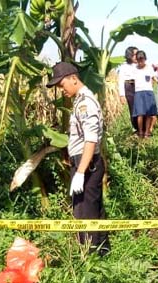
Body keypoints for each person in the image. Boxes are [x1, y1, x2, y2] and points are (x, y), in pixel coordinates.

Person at [46, 62, 109, 254]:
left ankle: (89, 258)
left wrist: (80, 172)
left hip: (86, 164)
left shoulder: (85, 104)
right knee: (94, 211)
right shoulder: (80, 100)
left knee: (84, 213)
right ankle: (102, 252)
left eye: (61, 84)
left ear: (74, 78)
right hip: (85, 163)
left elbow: (90, 140)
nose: (61, 89)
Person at [131, 51, 158, 138]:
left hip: (148, 92)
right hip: (138, 92)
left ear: (145, 59)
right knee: (140, 114)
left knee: (149, 114)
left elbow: (154, 78)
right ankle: (141, 132)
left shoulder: (149, 68)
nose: (140, 62)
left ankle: (147, 132)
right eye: (138, 60)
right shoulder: (134, 69)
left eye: (142, 60)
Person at [117, 46, 139, 133]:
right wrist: (122, 95)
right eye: (135, 54)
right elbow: (121, 80)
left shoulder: (140, 65)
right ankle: (136, 128)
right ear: (130, 55)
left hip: (139, 86)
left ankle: (144, 128)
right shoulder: (124, 66)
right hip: (129, 86)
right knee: (133, 108)